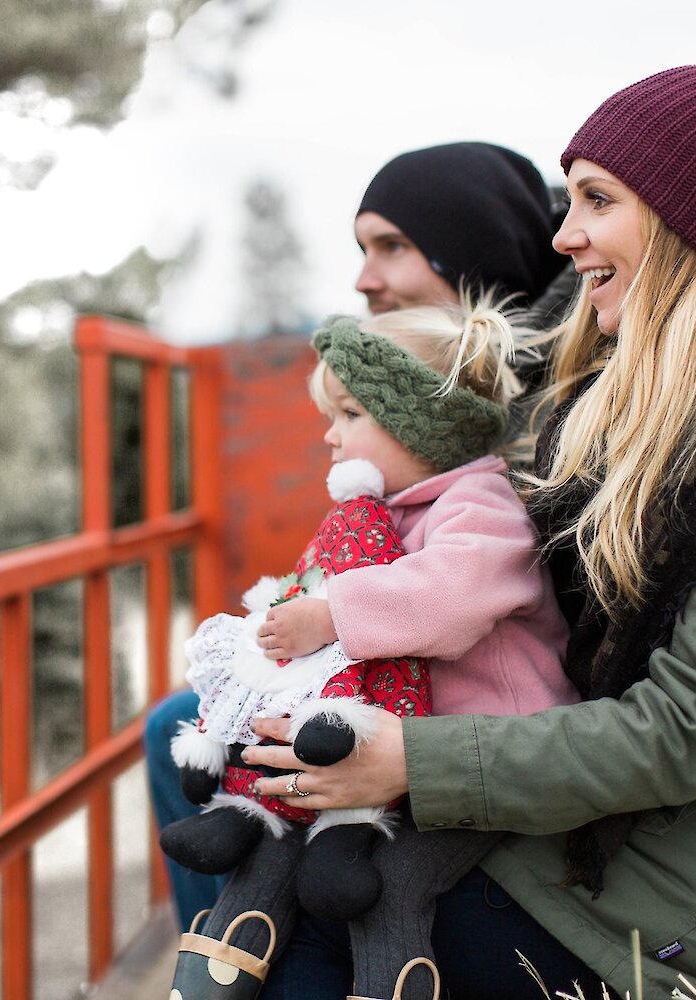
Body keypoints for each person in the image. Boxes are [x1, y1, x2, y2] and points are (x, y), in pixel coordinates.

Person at [243, 62, 696, 999]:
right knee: (289, 874)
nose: (564, 236)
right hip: (661, 811)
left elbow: (691, 727)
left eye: (597, 200)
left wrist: (410, 762)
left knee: (308, 934)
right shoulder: (653, 390)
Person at [143, 141, 571, 931]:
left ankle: (246, 942)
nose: (364, 278)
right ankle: (229, 941)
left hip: (482, 735)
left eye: (392, 246)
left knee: (190, 732)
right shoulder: (425, 435)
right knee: (193, 721)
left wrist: (332, 613)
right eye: (360, 249)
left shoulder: (529, 412)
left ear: (473, 252)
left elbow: (462, 584)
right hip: (406, 692)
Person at [166, 298, 578, 996]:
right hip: (402, 758)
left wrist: (331, 615)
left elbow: (447, 599)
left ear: (421, 424)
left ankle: (391, 983)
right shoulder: (379, 515)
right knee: (273, 831)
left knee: (390, 879)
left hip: (489, 761)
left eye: (350, 415)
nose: (330, 436)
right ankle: (214, 969)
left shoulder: (479, 507)